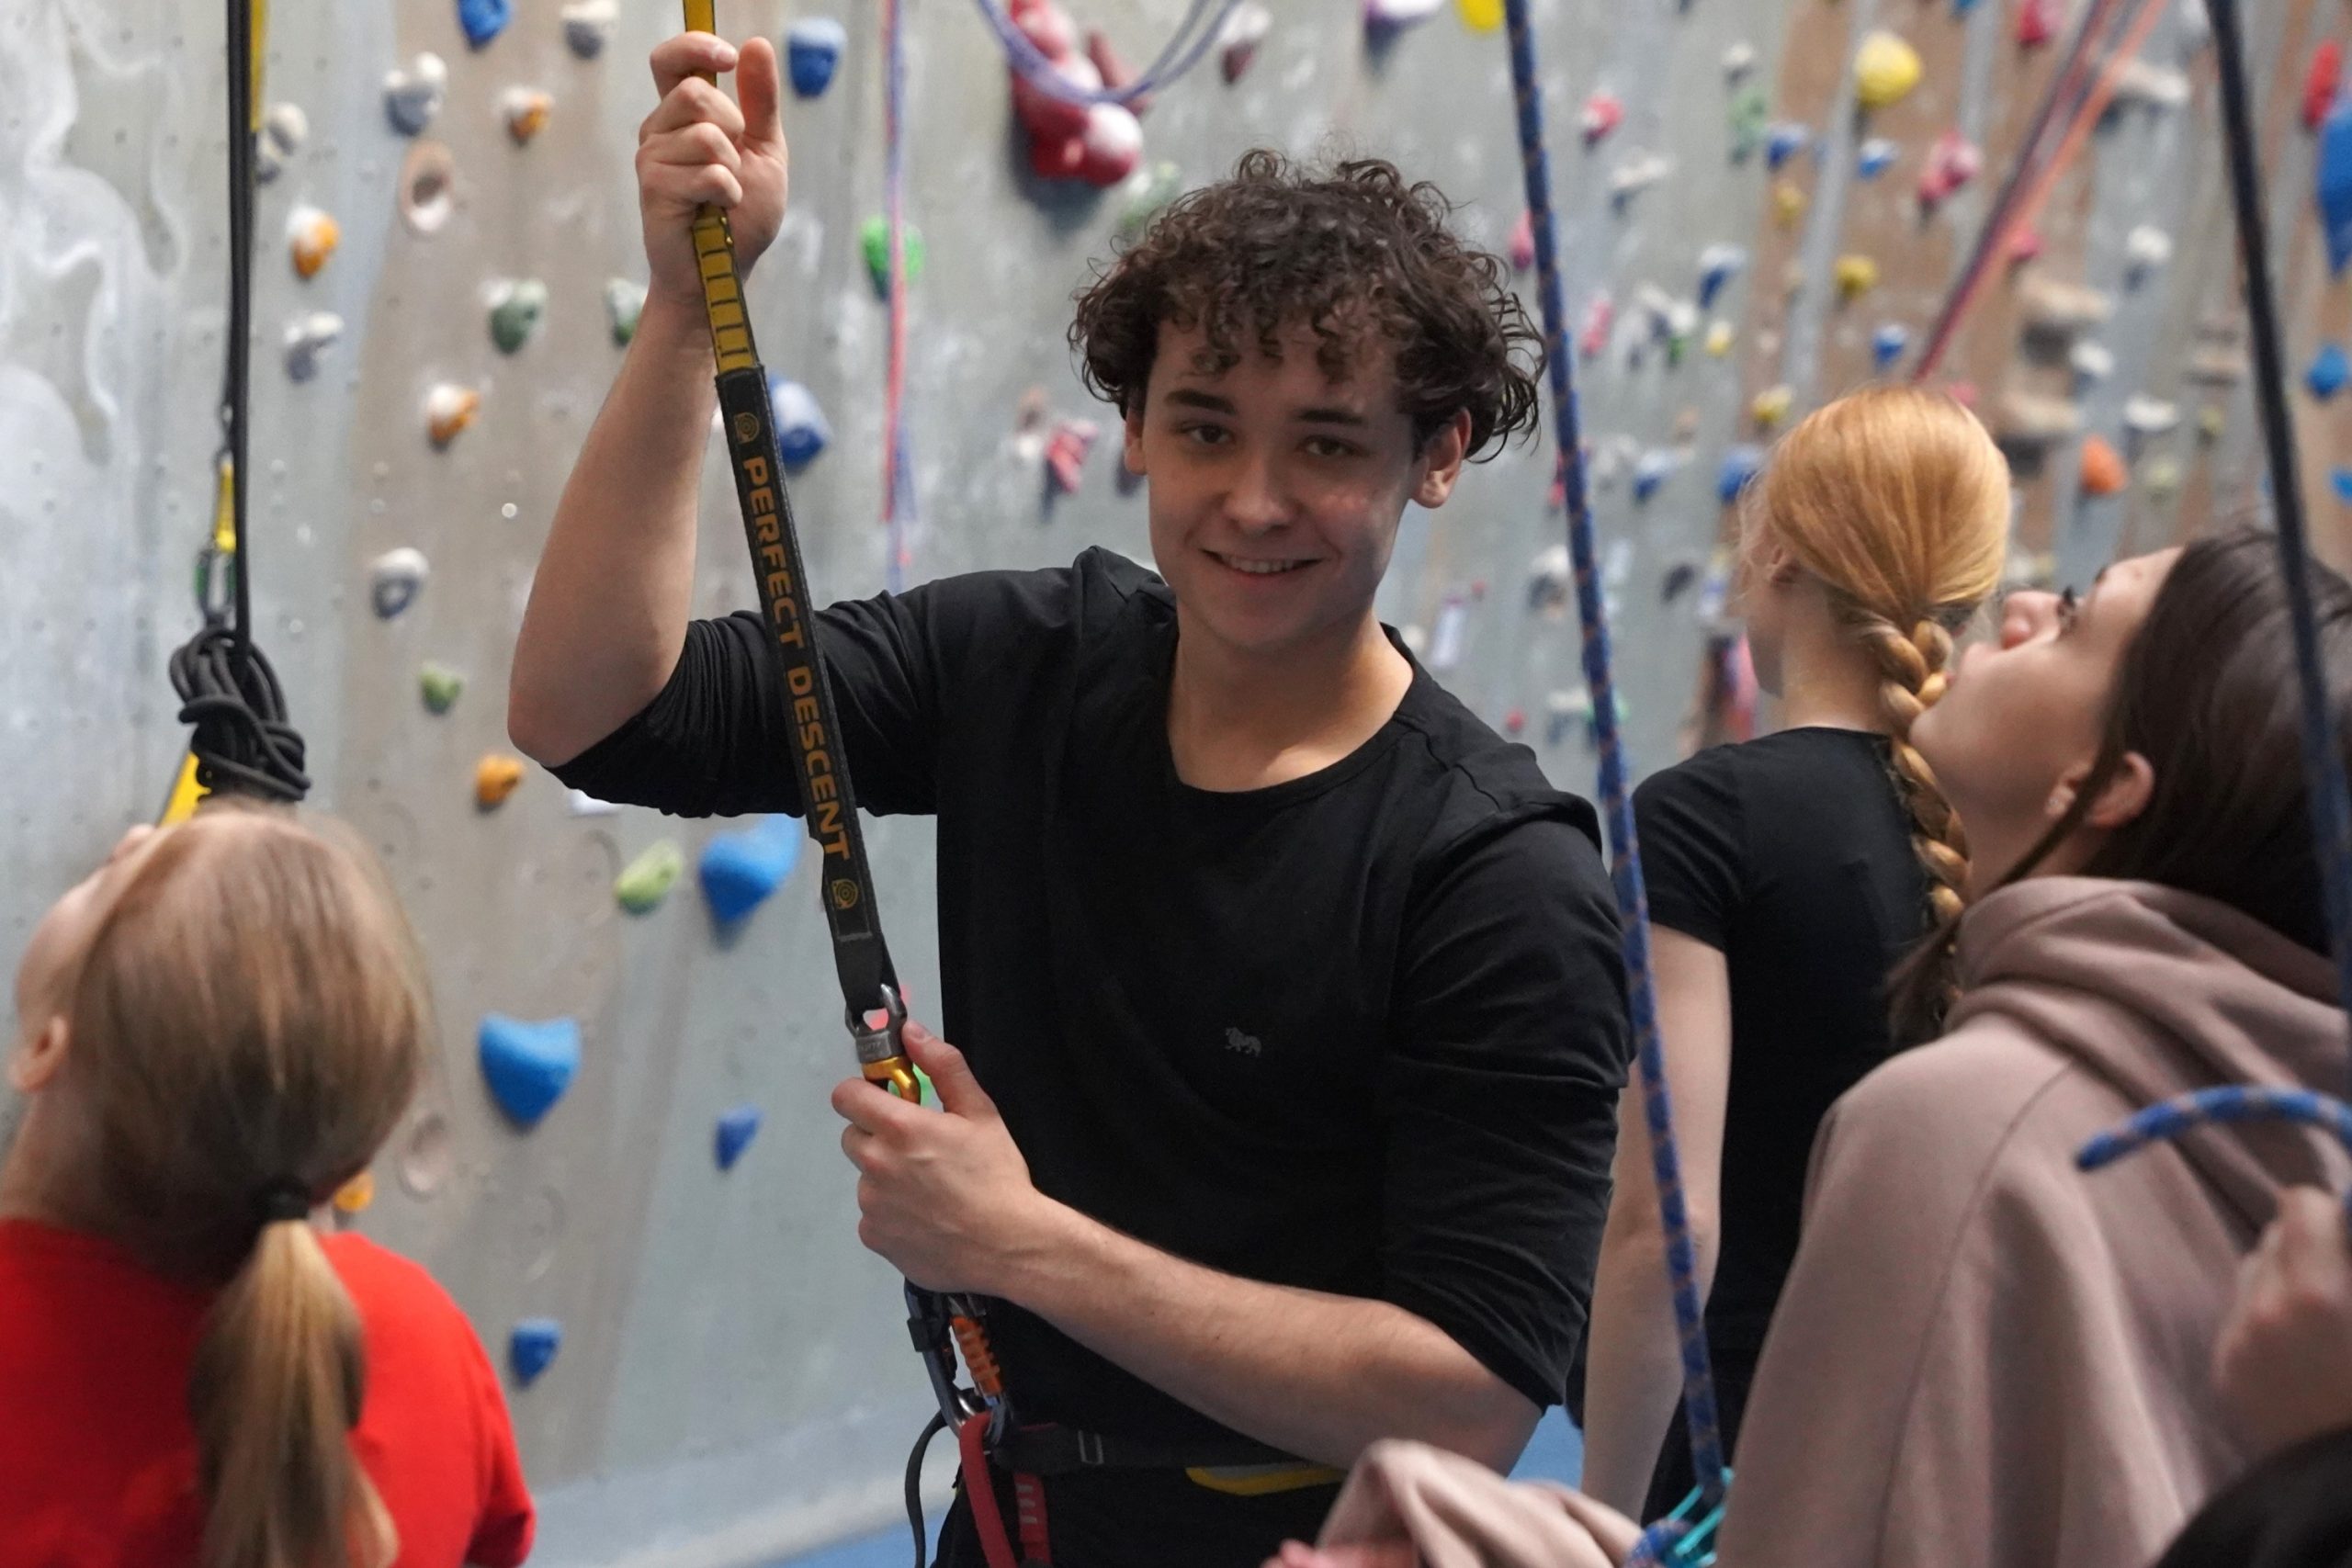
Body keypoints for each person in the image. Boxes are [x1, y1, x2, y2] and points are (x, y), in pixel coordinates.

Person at [505, 28, 1631, 1568]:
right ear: (1136, 427)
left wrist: (1020, 1244)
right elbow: (596, 709)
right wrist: (688, 316)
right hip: (1016, 1517)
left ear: (1435, 454)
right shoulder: (1021, 664)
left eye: (1325, 445)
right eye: (1206, 427)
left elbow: (1469, 1399)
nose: (1252, 501)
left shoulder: (1495, 878)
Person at [1282, 527, 2352, 1568]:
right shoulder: (2288, 1138)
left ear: (2103, 782)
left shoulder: (1970, 1123)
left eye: (2074, 619)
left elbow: (1671, 1221)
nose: (2025, 606)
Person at [1577, 387, 2008, 1518]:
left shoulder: (1706, 817)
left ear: (1774, 552)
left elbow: (1668, 1225)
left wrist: (1605, 1518)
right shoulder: (1999, 822)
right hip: (1936, 1441)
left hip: (1744, 1438)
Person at [0, 805, 536, 1568]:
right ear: (352, 1162)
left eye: (108, 881)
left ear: (46, 1047)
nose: (134, 836)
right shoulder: (423, 1336)